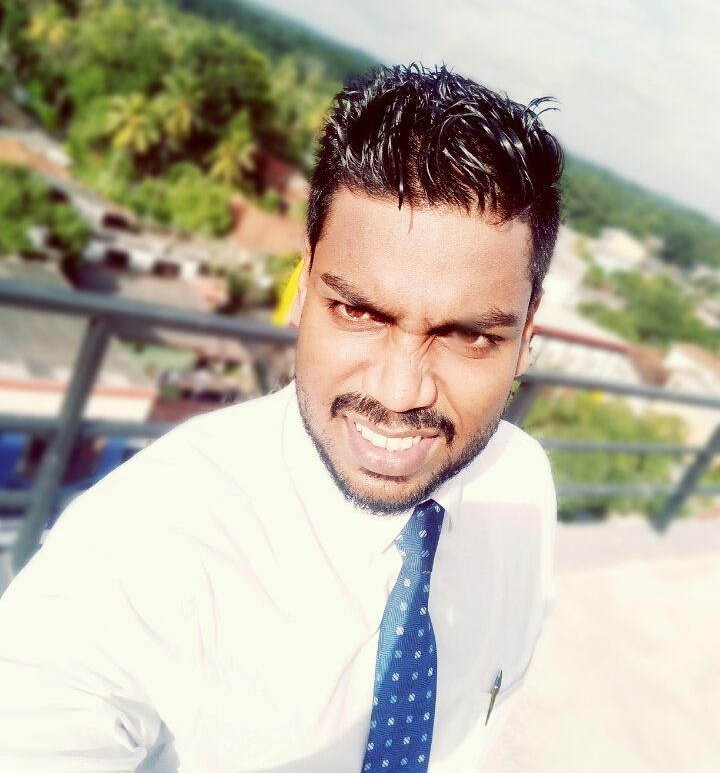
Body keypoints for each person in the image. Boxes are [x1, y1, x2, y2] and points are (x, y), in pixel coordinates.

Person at [0, 64, 563, 772]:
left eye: (470, 336)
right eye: (357, 311)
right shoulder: (145, 547)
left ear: (526, 339)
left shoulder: (521, 486)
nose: (399, 392)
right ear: (302, 288)